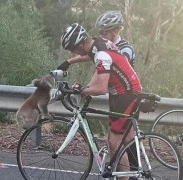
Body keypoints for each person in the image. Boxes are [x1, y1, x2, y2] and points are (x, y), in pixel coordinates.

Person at [61, 23, 142, 180]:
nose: (74, 52)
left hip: (126, 94)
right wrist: (71, 63)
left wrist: (82, 90)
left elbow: (101, 88)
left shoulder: (101, 54)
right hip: (125, 92)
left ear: (79, 45)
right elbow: (92, 63)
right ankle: (135, 174)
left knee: (113, 142)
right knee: (126, 139)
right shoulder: (98, 43)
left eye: (73, 49)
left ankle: (125, 177)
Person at [57, 11, 136, 72]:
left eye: (105, 32)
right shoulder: (104, 44)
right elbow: (89, 54)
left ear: (116, 31)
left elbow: (120, 65)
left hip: (127, 91)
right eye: (100, 32)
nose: (101, 36)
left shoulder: (126, 49)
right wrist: (68, 62)